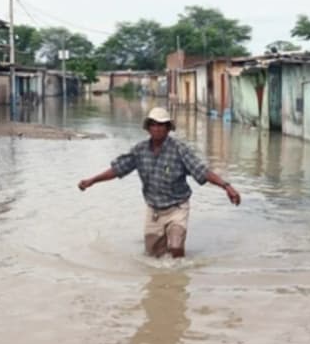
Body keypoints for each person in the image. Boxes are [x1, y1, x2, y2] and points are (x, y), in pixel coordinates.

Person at [78, 107, 241, 258]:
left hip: (177, 207)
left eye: (161, 125)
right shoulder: (140, 150)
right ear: (148, 128)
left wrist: (226, 186)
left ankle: (178, 276)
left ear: (168, 128)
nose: (157, 128)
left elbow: (202, 171)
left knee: (176, 247)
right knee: (152, 256)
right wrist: (92, 180)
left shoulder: (179, 149)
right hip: (154, 210)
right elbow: (118, 169)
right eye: (153, 125)